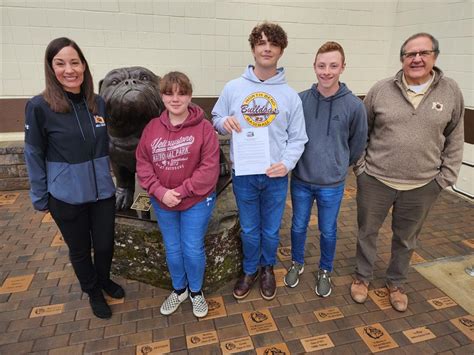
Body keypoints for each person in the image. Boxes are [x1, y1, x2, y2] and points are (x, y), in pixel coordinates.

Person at [350, 33, 464, 312]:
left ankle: (396, 282)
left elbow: (455, 136)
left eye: (423, 53)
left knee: (406, 237)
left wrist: (444, 178)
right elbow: (362, 131)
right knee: (367, 231)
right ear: (401, 59)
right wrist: (361, 168)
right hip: (375, 178)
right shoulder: (381, 89)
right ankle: (362, 277)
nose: (416, 59)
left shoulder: (450, 91)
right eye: (410, 54)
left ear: (434, 56)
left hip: (423, 184)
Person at [24, 37, 124, 319]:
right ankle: (92, 290)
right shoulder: (39, 107)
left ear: (83, 66)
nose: (69, 69)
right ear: (50, 68)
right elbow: (33, 153)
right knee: (80, 250)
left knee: (105, 244)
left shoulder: (98, 103)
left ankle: (103, 279)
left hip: (103, 193)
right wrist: (41, 195)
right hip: (66, 196)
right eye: (60, 63)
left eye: (74, 62)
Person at [212, 22, 307, 301]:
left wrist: (287, 163)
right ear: (253, 48)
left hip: (276, 175)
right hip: (244, 174)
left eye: (273, 44)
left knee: (270, 228)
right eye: (261, 43)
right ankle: (250, 269)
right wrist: (223, 122)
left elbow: (298, 138)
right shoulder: (233, 88)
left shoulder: (290, 96)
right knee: (250, 228)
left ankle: (267, 268)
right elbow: (215, 119)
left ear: (281, 50)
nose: (267, 48)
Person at [284, 42, 367, 297]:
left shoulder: (354, 106)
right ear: (314, 67)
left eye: (333, 65)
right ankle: (297, 263)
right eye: (322, 65)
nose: (327, 71)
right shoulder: (300, 100)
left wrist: (338, 164)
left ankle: (325, 270)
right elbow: (289, 136)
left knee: (328, 229)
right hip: (301, 180)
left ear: (343, 67)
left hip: (332, 184)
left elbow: (357, 143)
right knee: (298, 225)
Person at [136, 71, 219, 318]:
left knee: (192, 247)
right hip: (163, 201)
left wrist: (181, 192)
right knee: (172, 248)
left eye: (181, 93)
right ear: (161, 96)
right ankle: (179, 289)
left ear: (190, 96)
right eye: (169, 93)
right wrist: (160, 192)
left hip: (195, 200)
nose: (175, 98)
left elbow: (209, 168)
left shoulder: (204, 129)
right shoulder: (152, 128)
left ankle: (195, 292)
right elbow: (143, 162)